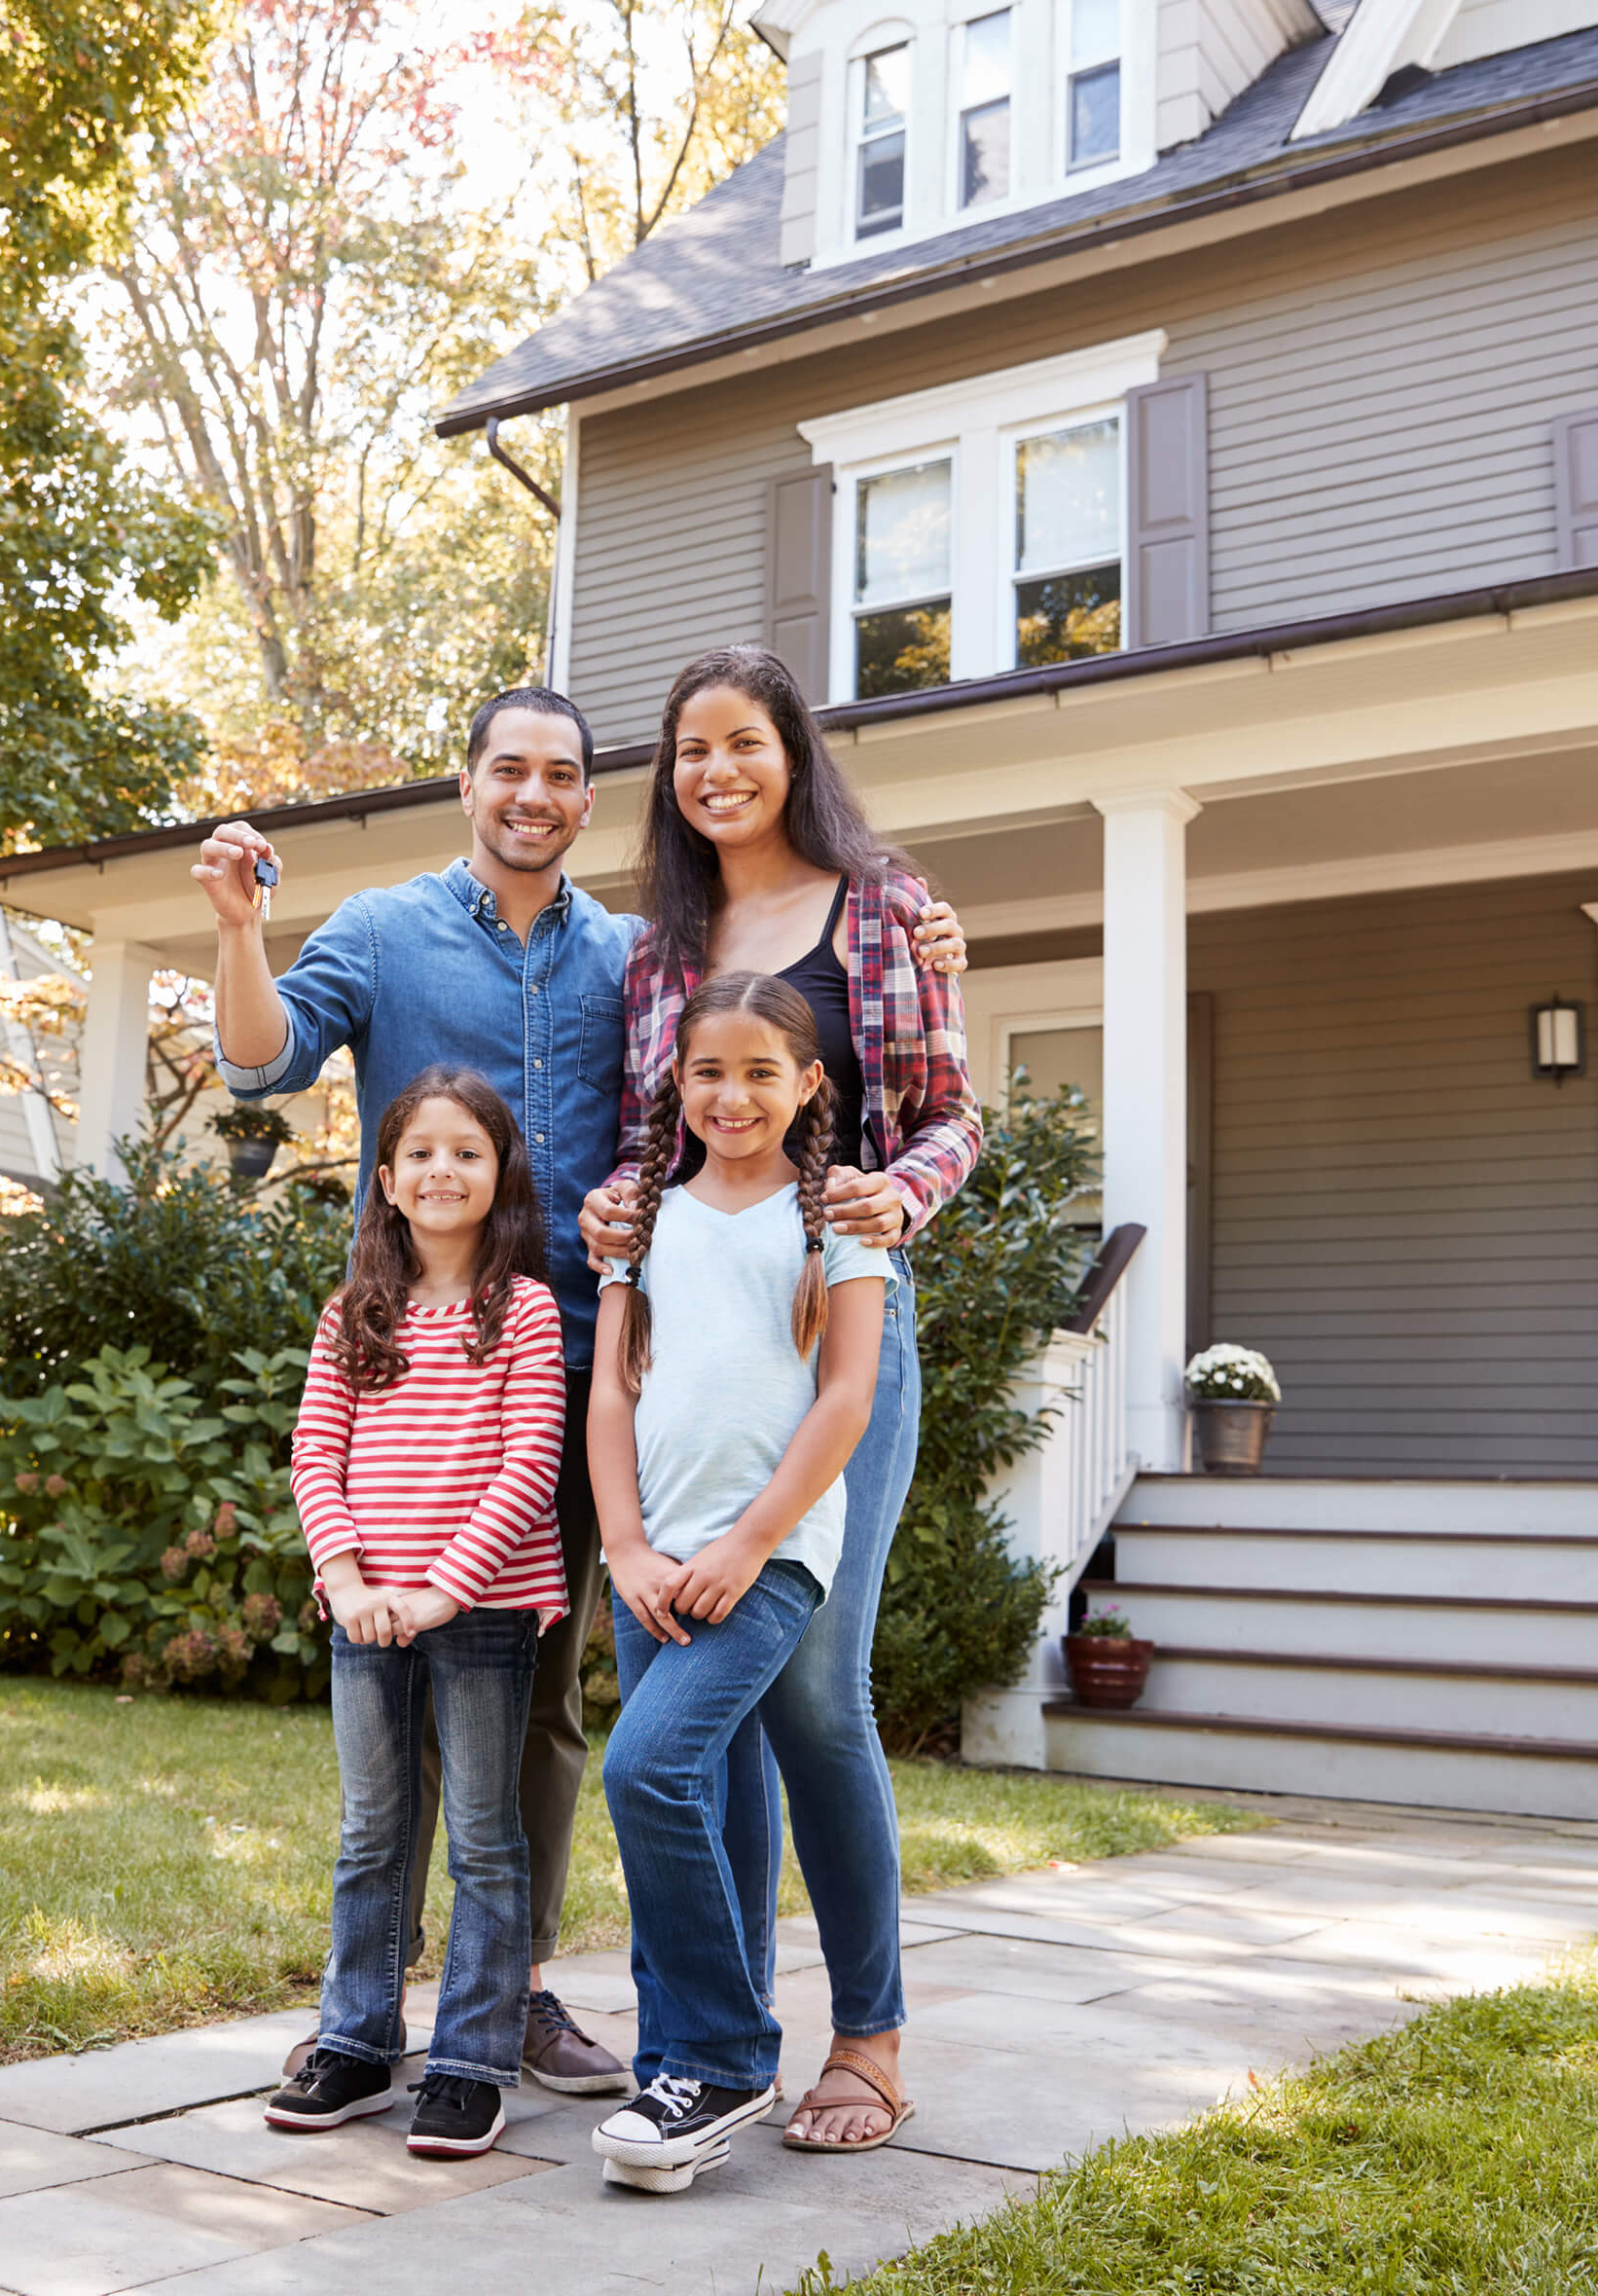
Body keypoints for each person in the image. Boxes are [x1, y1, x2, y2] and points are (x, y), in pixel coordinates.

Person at [197, 684, 966, 2095]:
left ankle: (539, 1992)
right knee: (444, 1701)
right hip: (478, 1365)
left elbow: (903, 1101)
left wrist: (890, 1180)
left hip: (671, 1346)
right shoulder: (413, 930)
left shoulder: (682, 939)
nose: (533, 794)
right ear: (467, 778)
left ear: (595, 799)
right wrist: (243, 929)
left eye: (563, 772)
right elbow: (261, 1061)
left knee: (585, 1700)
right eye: (509, 769)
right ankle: (389, 2012)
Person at [579, 645, 983, 2154]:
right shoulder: (656, 942)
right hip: (695, 1335)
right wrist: (618, 1218)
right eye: (689, 749)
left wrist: (895, 1195)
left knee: (817, 1691)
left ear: (790, 751)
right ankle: (718, 2040)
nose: (715, 770)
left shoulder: (883, 901)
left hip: (836, 1315)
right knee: (709, 1705)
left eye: (742, 742)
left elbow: (953, 1113)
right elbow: (648, 1137)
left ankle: (868, 2038)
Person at [587, 973, 891, 2194]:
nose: (733, 1093)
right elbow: (612, 1393)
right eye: (710, 1070)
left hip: (764, 1559)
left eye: (763, 1071)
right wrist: (625, 1546)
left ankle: (722, 2054)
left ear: (809, 1084)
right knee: (691, 1791)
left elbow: (848, 1399)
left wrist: (750, 1542)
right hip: (652, 1556)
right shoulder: (640, 1222)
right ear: (678, 1080)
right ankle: (678, 2071)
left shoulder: (841, 1221)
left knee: (646, 1765)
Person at [264, 1067, 566, 2160]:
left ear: (500, 1175)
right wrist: (345, 1581)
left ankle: (474, 2061)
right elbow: (315, 1452)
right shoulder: (356, 1312)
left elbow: (532, 1459)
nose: (444, 1169)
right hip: (364, 1611)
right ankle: (354, 2040)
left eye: (468, 1152)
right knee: (370, 1834)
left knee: (485, 1838)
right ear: (386, 1181)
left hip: (479, 1609)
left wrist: (448, 1583)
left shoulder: (523, 1310)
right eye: (422, 1154)